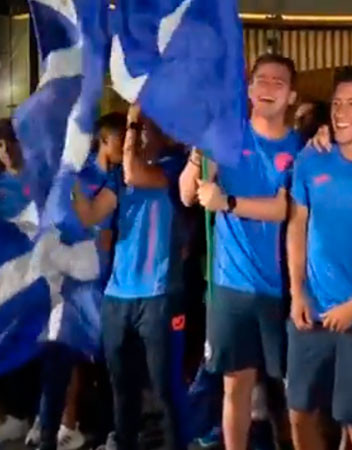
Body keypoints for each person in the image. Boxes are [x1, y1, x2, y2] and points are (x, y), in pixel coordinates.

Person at [179, 54, 301, 450]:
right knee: (236, 387)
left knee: (290, 393)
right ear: (248, 90)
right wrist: (200, 151)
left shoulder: (301, 149)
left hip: (285, 287)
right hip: (230, 287)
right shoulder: (226, 139)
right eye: (260, 80)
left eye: (278, 82)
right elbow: (187, 194)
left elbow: (287, 208)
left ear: (292, 95)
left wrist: (228, 202)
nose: (267, 88)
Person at [73, 105, 189, 450]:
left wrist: (135, 117)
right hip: (117, 296)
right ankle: (124, 442)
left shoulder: (172, 168)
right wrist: (70, 183)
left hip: (159, 295)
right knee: (121, 386)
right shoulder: (118, 178)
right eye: (132, 130)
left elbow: (137, 174)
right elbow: (90, 214)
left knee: (164, 386)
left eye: (141, 129)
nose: (135, 136)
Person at [25, 112, 125, 450]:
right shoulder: (78, 179)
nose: (129, 147)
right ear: (105, 140)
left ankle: (115, 434)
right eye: (122, 140)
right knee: (59, 362)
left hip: (113, 286)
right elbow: (61, 228)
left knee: (112, 367)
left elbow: (106, 228)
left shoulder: (124, 178)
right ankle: (50, 435)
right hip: (76, 291)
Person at [286, 68, 352, 449]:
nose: (340, 113)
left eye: (351, 105)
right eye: (337, 104)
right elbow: (297, 225)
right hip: (311, 312)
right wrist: (297, 291)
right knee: (300, 412)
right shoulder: (312, 158)